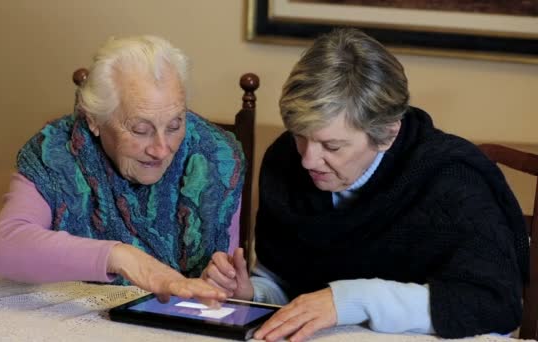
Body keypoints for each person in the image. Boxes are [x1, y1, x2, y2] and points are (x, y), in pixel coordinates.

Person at [202, 28, 529, 341]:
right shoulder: (284, 160)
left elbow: (494, 305)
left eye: (332, 147)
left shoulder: (452, 178)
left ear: (386, 133)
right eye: (300, 136)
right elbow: (285, 285)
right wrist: (251, 294)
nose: (308, 160)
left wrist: (350, 300)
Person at [0, 35, 246, 304]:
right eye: (140, 129)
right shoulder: (54, 155)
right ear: (95, 121)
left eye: (174, 125)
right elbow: (3, 247)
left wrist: (224, 283)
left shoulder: (216, 158)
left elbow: (224, 284)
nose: (161, 148)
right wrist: (120, 257)